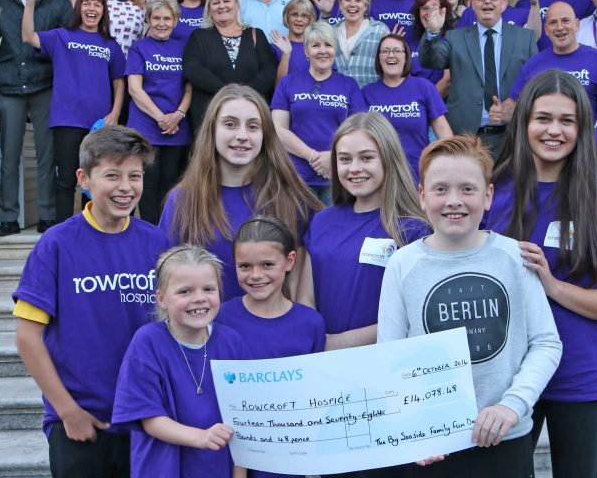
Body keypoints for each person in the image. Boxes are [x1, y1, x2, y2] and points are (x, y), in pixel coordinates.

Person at [378, 135, 561, 477]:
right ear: (421, 195)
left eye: (467, 189)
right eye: (440, 189)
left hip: (505, 438)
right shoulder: (402, 265)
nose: (454, 201)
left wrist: (513, 404)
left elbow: (546, 342)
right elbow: (389, 356)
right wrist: (411, 428)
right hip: (434, 444)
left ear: (488, 195)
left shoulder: (515, 258)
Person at [487, 70, 597, 478]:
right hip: (506, 379)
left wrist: (552, 285)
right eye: (543, 118)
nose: (554, 130)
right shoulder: (490, 192)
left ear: (581, 128)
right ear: (524, 124)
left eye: (566, 121)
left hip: (580, 376)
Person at [12, 125, 170, 478]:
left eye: (135, 176)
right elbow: (27, 337)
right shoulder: (56, 245)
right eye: (112, 176)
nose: (126, 187)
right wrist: (68, 411)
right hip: (80, 422)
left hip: (146, 420)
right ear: (84, 179)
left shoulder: (158, 243)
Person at [160, 84, 321, 303]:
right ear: (212, 130)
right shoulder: (183, 199)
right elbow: (168, 280)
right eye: (230, 124)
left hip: (271, 332)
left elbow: (302, 283)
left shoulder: (290, 197)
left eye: (253, 126)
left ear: (265, 134)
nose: (242, 136)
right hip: (208, 332)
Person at [112, 245, 249, 478]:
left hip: (217, 469)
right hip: (163, 469)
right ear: (162, 298)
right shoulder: (147, 342)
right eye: (185, 291)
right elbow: (150, 419)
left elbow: (244, 421)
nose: (199, 298)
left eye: (208, 288)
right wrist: (201, 437)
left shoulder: (231, 342)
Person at [298, 113, 430, 351]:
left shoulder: (412, 229)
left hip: (382, 364)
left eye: (366, 158)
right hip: (322, 362)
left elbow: (416, 312)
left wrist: (339, 343)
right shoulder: (320, 221)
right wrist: (315, 339)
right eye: (345, 159)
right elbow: (305, 298)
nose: (354, 168)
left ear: (388, 159)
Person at [218, 216, 326, 478]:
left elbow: (315, 396)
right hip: (231, 456)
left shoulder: (310, 322)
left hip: (292, 459)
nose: (256, 275)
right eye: (245, 266)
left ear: (289, 261)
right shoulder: (220, 318)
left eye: (267, 264)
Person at [0, 0, 73, 236]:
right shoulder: (0, 1)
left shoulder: (58, 3)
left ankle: (47, 216)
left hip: (45, 83)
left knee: (47, 154)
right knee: (9, 155)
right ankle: (8, 218)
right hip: (9, 85)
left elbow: (68, 46)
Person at [22, 0, 126, 223]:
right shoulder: (62, 36)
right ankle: (62, 232)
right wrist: (30, 2)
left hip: (99, 125)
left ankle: (92, 228)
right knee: (66, 179)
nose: (92, 8)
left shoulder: (110, 45)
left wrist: (115, 113)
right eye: (87, 3)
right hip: (67, 120)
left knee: (97, 179)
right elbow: (28, 36)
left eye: (97, 4)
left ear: (103, 10)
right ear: (79, 8)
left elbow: (119, 82)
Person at [419, 0, 538, 157]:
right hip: (466, 136)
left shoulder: (524, 38)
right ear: (472, 5)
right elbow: (430, 60)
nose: (487, 2)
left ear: (503, 3)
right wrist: (432, 33)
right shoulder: (455, 37)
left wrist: (516, 106)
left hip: (512, 135)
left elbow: (535, 83)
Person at [271, 22, 367, 203]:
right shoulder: (288, 83)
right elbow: (278, 129)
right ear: (306, 51)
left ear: (335, 49)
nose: (323, 51)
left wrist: (332, 157)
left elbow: (359, 130)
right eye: (316, 45)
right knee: (297, 231)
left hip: (338, 176)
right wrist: (313, 156)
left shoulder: (349, 85)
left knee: (334, 230)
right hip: (296, 177)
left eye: (328, 45)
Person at [126, 0, 192, 224]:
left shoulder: (184, 48)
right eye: (156, 18)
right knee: (147, 184)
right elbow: (135, 89)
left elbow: (190, 87)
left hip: (177, 129)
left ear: (175, 21)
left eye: (167, 18)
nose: (161, 23)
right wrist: (161, 118)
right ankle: (149, 236)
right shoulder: (138, 48)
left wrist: (178, 115)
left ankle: (167, 238)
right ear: (148, 20)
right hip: (146, 127)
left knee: (171, 187)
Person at [182, 0, 278, 130]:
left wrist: (245, 95)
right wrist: (227, 93)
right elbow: (192, 69)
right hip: (209, 113)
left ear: (236, 5)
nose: (222, 6)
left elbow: (269, 69)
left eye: (226, 1)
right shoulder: (199, 36)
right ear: (209, 9)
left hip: (250, 111)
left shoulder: (255, 34)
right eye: (216, 3)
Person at [362, 33, 451, 180]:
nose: (391, 55)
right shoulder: (366, 93)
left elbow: (442, 129)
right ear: (378, 58)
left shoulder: (424, 87)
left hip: (418, 173)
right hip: (381, 177)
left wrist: (451, 161)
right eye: (385, 51)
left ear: (406, 57)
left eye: (397, 51)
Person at [508, 1, 597, 114]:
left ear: (577, 24)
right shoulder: (533, 64)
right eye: (553, 23)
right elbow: (514, 106)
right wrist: (499, 112)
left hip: (589, 131)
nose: (560, 27)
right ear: (546, 29)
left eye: (565, 20)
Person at [332, 0, 391, 88]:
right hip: (339, 99)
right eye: (347, 0)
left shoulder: (380, 30)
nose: (352, 4)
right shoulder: (331, 32)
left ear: (365, 5)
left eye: (358, 0)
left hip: (369, 98)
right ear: (340, 5)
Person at [408, 0, 451, 93]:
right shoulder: (411, 43)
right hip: (415, 103)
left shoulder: (450, 40)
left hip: (439, 105)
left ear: (443, 11)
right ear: (418, 13)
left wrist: (430, 103)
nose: (430, 13)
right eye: (425, 8)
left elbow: (448, 80)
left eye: (434, 8)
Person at [270, 0, 315, 80]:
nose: (299, 19)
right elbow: (278, 87)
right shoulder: (275, 47)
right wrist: (285, 54)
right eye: (294, 14)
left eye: (304, 16)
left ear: (310, 20)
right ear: (287, 17)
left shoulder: (317, 46)